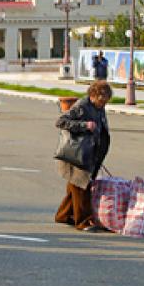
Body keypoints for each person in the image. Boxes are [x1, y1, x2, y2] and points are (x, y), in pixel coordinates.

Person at [54, 80, 112, 231]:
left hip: (90, 154)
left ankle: (63, 215)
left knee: (75, 186)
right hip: (77, 154)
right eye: (101, 100)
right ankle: (83, 221)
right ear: (93, 95)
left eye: (105, 101)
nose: (103, 104)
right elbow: (61, 122)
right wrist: (84, 125)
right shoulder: (82, 106)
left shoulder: (99, 107)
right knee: (81, 186)